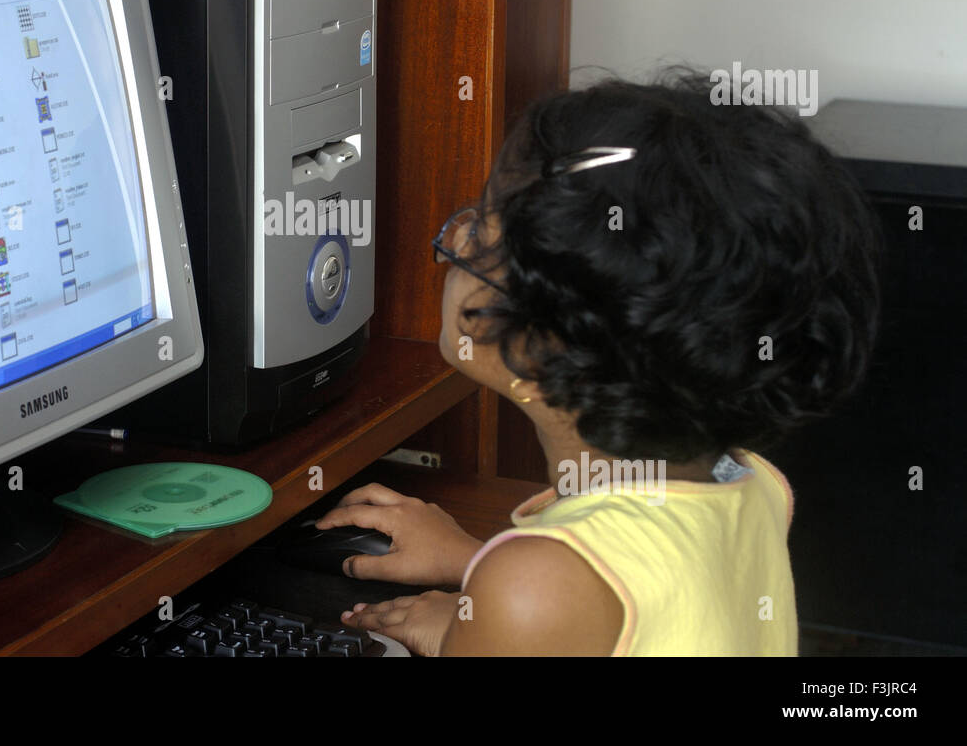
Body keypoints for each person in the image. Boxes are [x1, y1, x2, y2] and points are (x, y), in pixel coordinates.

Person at [318, 70, 882, 655]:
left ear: (546, 348)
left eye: (481, 228)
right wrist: (479, 577)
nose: (457, 244)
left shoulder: (533, 593)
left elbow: (556, 605)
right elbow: (657, 596)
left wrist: (497, 613)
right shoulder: (752, 484)